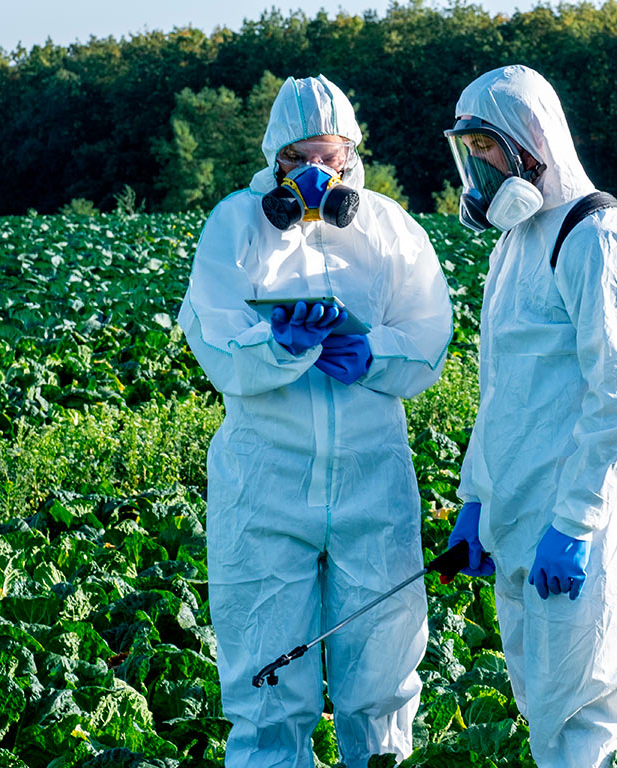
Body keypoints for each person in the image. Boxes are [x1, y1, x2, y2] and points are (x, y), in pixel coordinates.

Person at [178, 74, 453, 768]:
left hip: (372, 484)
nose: (315, 173)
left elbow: (428, 336)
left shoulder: (390, 228)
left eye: (330, 157)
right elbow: (212, 337)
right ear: (274, 158)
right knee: (267, 689)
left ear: (352, 156)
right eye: (299, 158)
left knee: (383, 685)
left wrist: (372, 353)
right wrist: (277, 345)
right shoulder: (235, 225)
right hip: (264, 484)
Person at [443, 65, 617, 767]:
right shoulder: (516, 245)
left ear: (530, 145)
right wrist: (476, 499)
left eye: (485, 147)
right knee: (549, 723)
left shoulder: (597, 236)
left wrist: (574, 523)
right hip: (518, 525)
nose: (476, 166)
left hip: (581, 536)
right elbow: (504, 394)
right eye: (467, 150)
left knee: (587, 733)